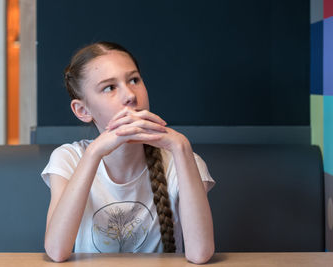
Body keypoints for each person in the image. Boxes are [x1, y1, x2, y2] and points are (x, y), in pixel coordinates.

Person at [41, 41, 215, 264]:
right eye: (110, 87)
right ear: (83, 110)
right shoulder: (68, 158)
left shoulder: (183, 160)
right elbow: (56, 251)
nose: (130, 96)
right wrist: (94, 152)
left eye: (134, 80)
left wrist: (182, 147)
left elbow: (200, 254)